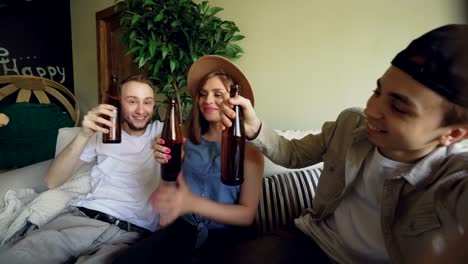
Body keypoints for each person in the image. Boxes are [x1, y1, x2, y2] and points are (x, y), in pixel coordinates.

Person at [218, 24, 468, 263]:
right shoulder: (351, 123)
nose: (371, 109)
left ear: (453, 134)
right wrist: (255, 128)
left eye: (399, 107)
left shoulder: (454, 179)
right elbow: (293, 154)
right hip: (311, 240)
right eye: (377, 91)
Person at [113, 55, 264, 263]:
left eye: (217, 94)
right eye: (203, 94)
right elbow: (170, 187)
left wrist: (192, 203)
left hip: (227, 237)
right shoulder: (183, 137)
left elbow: (246, 216)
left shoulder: (251, 152)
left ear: (233, 100)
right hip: (182, 230)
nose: (208, 100)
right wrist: (164, 164)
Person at [0, 74, 163, 263]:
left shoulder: (162, 132)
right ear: (119, 103)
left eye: (148, 102)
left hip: (129, 235)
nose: (141, 110)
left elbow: (199, 141)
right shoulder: (102, 133)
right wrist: (84, 135)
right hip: (82, 218)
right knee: (16, 257)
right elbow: (52, 181)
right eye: (132, 101)